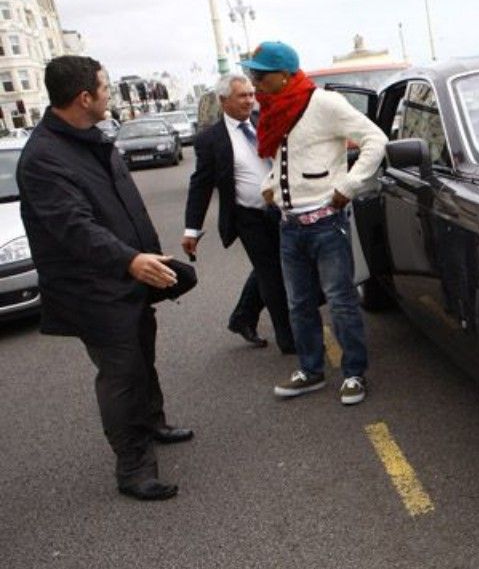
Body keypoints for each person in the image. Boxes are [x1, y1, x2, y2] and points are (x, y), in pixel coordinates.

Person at [17, 55, 191, 501]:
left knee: (142, 356)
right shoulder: (43, 158)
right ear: (84, 98)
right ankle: (133, 469)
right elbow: (75, 228)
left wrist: (147, 259)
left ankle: (153, 423)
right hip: (92, 290)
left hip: (130, 277)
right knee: (121, 374)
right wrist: (131, 260)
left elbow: (123, 206)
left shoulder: (91, 138)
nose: (109, 95)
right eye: (105, 89)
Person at [242, 42, 387, 405]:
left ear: (286, 75)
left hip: (326, 223)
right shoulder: (274, 109)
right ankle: (311, 370)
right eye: (252, 74)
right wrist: (269, 186)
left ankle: (354, 373)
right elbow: (283, 159)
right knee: (299, 304)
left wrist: (349, 186)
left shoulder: (324, 104)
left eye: (261, 74)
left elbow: (376, 139)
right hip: (289, 226)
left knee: (340, 302)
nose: (254, 81)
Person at [182, 73, 295, 354]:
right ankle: (289, 340)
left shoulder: (263, 121)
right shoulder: (210, 139)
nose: (249, 100)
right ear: (223, 101)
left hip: (281, 211)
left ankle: (243, 317)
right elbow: (201, 184)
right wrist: (191, 229)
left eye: (250, 94)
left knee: (281, 266)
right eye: (242, 96)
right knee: (272, 276)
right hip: (248, 217)